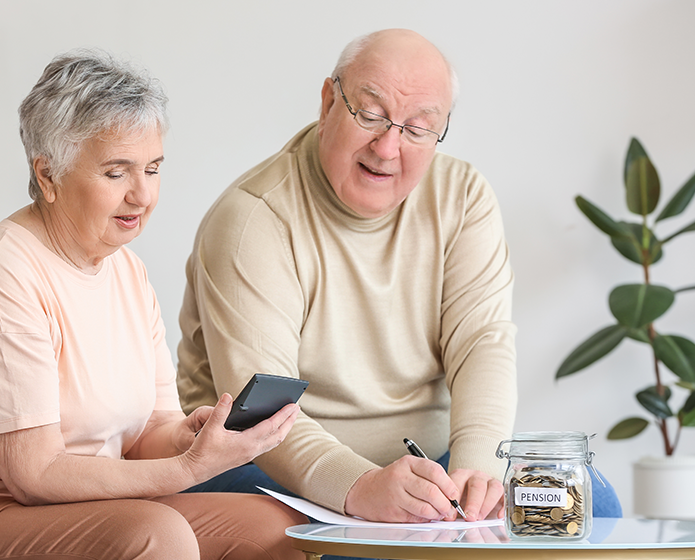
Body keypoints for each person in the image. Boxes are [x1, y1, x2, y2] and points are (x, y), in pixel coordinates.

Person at [0, 50, 307, 560]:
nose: (142, 195)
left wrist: (191, 437)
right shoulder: (2, 272)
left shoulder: (127, 269)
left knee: (277, 526)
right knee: (156, 534)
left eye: (152, 168)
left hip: (72, 503)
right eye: (116, 172)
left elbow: (148, 432)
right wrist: (189, 470)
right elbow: (34, 475)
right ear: (49, 176)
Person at [177, 28, 621, 527]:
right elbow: (262, 415)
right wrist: (362, 488)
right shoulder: (254, 219)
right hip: (263, 466)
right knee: (384, 545)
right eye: (369, 116)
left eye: (416, 128)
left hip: (426, 468)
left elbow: (482, 343)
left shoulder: (463, 197)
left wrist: (477, 471)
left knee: (591, 507)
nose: (387, 148)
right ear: (328, 103)